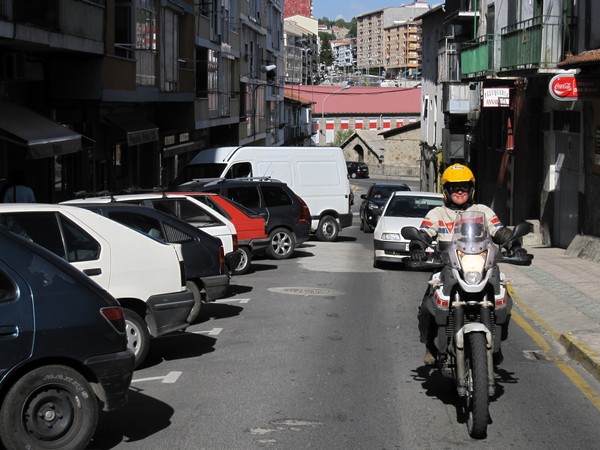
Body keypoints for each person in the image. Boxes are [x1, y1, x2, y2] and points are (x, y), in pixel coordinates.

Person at [409, 163, 526, 365]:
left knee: (503, 300)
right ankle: (430, 344)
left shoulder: (482, 211)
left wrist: (515, 246)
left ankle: (496, 341)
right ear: (446, 190)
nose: (459, 191)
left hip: (481, 266)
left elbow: (500, 231)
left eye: (463, 186)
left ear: (471, 189)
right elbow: (424, 233)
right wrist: (418, 248)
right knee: (427, 305)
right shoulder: (437, 213)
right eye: (454, 187)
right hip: (447, 266)